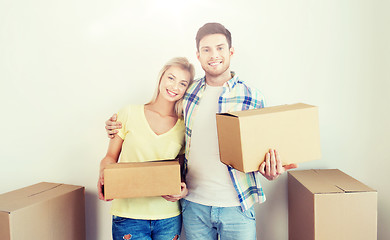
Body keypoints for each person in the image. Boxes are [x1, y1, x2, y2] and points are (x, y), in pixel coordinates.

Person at [105, 23, 298, 240]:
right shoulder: (187, 92)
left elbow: (263, 151)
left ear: (231, 52)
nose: (213, 55)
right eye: (206, 49)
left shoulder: (252, 96)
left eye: (220, 48)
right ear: (198, 55)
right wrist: (115, 124)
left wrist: (269, 171)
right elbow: (163, 127)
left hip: (237, 206)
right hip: (194, 206)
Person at [98, 57, 195, 240]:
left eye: (183, 83)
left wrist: (182, 190)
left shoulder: (184, 126)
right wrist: (103, 173)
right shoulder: (128, 113)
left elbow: (180, 173)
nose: (175, 87)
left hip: (168, 217)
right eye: (171, 78)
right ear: (161, 78)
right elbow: (110, 157)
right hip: (129, 216)